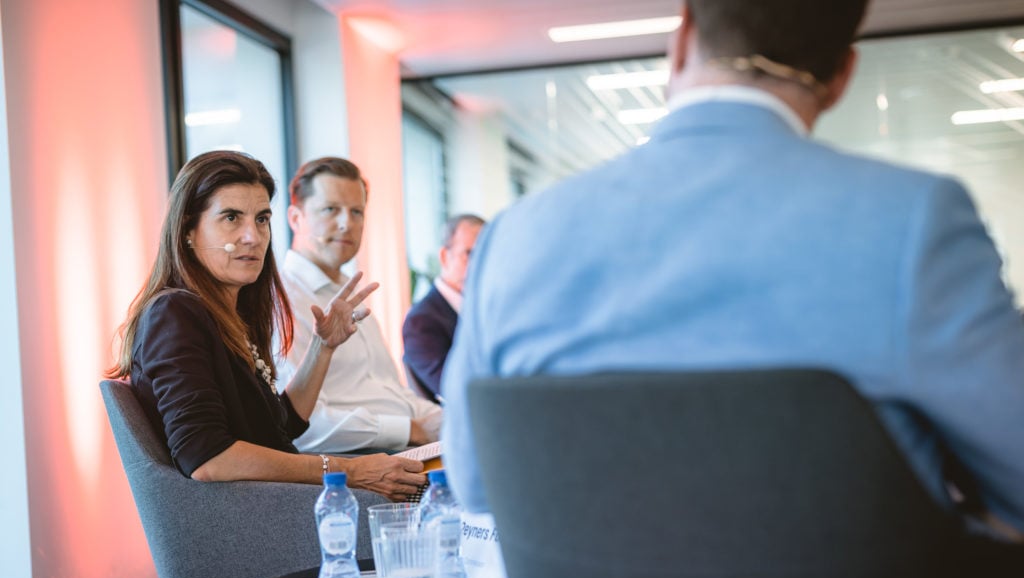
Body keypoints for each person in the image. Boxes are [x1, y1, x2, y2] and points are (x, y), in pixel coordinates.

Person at [441, 0, 1024, 539]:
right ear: (843, 77)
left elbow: (474, 483)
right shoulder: (914, 221)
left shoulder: (515, 239)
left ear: (682, 37)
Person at [108, 150, 425, 501]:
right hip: (254, 527)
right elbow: (207, 457)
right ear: (188, 231)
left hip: (276, 510)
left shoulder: (228, 314)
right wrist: (350, 471)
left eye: (261, 219)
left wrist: (324, 347)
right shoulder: (174, 313)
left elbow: (282, 427)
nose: (253, 237)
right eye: (231, 218)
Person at [277, 157, 443, 454]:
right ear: (295, 218)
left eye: (357, 212)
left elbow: (392, 392)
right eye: (331, 210)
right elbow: (298, 425)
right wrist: (411, 430)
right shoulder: (279, 299)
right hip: (360, 463)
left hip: (406, 448)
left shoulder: (348, 292)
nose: (347, 224)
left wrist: (446, 421)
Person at [402, 214, 485, 401]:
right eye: (470, 254)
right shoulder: (421, 322)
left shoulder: (488, 310)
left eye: (485, 255)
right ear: (444, 257)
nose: (480, 264)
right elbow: (456, 390)